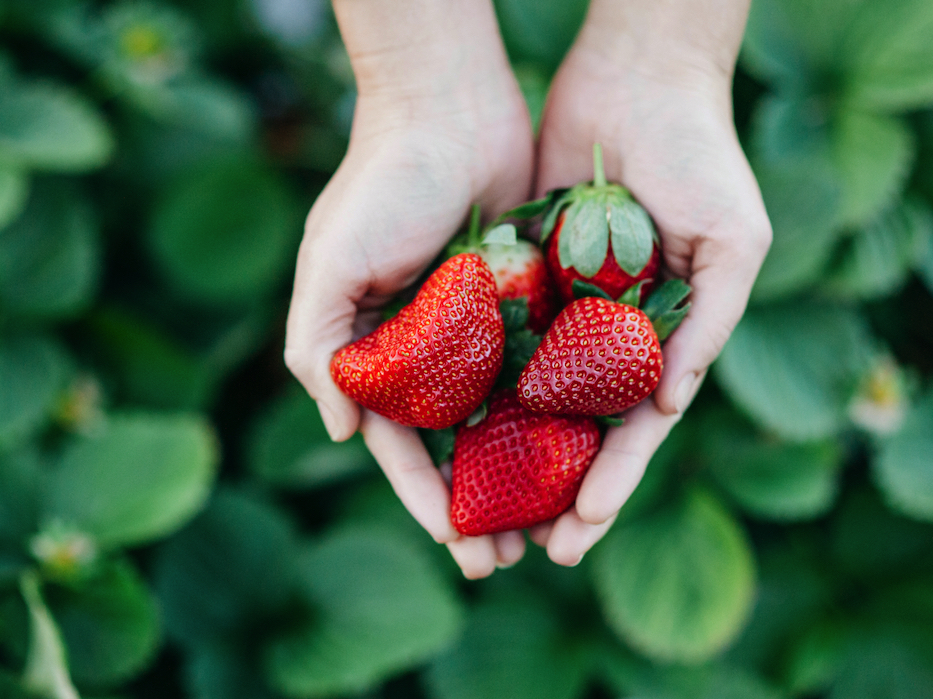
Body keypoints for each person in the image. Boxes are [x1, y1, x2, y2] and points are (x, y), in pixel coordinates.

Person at [284, 0, 772, 579]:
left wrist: (668, 67)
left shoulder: (499, 322)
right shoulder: (513, 326)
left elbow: (534, 376)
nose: (539, 388)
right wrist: (418, 100)